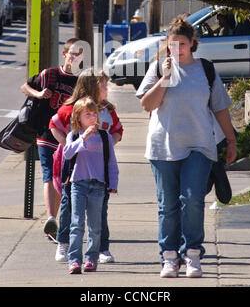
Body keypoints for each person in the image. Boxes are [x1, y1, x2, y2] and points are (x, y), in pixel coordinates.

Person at [136, 16, 237, 278]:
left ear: (192, 43)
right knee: (167, 204)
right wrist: (165, 79)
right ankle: (169, 256)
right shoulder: (158, 68)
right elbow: (147, 105)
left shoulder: (205, 70)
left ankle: (192, 253)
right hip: (163, 147)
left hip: (199, 145)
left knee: (192, 199)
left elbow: (220, 108)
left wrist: (231, 140)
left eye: (182, 44)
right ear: (167, 45)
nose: (177, 49)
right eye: (173, 44)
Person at [49, 68, 123, 263]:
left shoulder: (107, 110)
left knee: (100, 209)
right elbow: (53, 125)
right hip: (73, 166)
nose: (107, 89)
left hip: (99, 169)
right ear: (91, 86)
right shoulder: (71, 108)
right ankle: (63, 243)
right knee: (68, 206)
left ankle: (102, 248)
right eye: (103, 85)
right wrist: (68, 143)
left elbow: (118, 130)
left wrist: (107, 144)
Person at [20, 38, 83, 239]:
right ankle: (51, 219)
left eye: (80, 54)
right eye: (73, 53)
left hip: (69, 136)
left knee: (64, 179)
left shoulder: (81, 81)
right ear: (65, 54)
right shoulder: (50, 74)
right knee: (49, 174)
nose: (75, 57)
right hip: (46, 132)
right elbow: (25, 87)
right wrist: (38, 94)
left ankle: (58, 221)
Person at [63, 97, 119, 274]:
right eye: (88, 114)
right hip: (78, 184)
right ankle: (74, 260)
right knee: (76, 223)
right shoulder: (73, 135)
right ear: (78, 117)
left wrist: (113, 182)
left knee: (95, 226)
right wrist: (83, 138)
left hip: (98, 185)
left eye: (94, 114)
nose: (92, 118)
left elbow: (111, 161)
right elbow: (67, 154)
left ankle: (91, 258)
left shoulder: (104, 136)